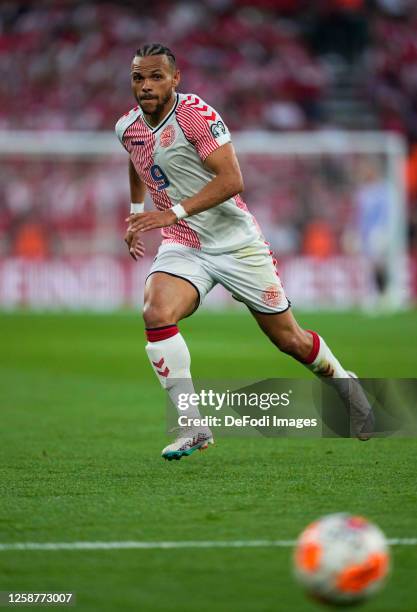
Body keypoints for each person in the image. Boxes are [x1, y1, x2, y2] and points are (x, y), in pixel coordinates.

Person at [117, 43, 371, 461]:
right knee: (156, 313)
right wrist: (135, 212)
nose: (145, 85)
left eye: (156, 76)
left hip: (237, 245)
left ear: (175, 79)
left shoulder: (196, 115)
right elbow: (137, 156)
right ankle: (192, 425)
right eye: (138, 77)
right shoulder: (127, 127)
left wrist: (171, 212)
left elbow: (232, 179)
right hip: (184, 244)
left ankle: (345, 384)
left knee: (289, 340)